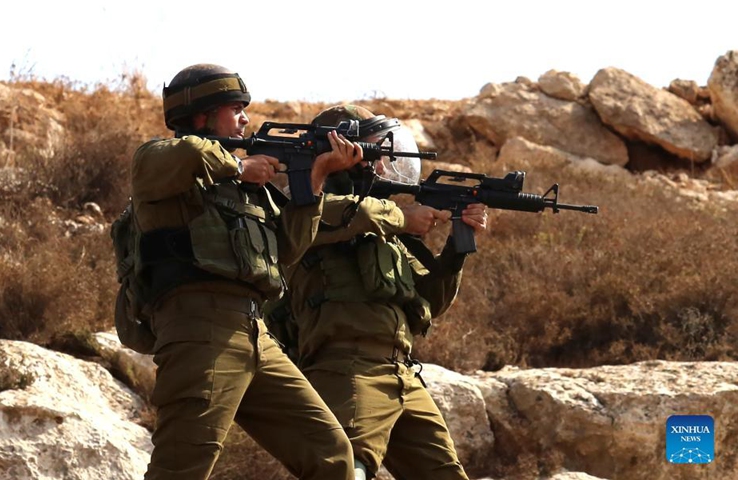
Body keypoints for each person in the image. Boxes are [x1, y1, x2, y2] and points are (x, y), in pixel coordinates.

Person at [133, 64, 362, 480]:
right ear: (201, 116)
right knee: (181, 468)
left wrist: (317, 177)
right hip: (200, 328)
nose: (244, 119)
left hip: (255, 332)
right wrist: (240, 167)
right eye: (235, 109)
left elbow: (288, 250)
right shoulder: (162, 162)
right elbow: (181, 154)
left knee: (332, 455)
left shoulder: (246, 188)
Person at [282, 105, 488, 480]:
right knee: (347, 470)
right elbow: (321, 216)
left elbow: (428, 302)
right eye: (376, 154)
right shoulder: (303, 207)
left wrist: (457, 248)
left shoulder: (385, 224)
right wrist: (402, 218)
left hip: (402, 372)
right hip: (347, 365)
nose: (385, 167)